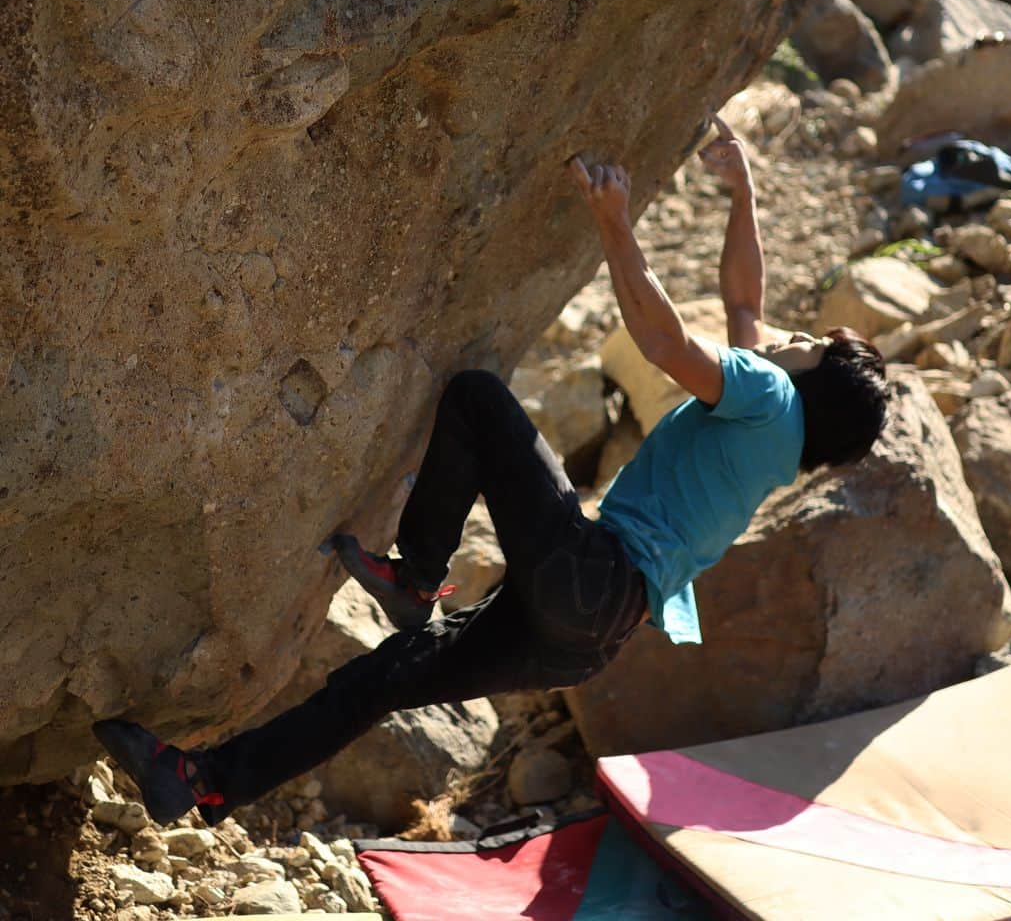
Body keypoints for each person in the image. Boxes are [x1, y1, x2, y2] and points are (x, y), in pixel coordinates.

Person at [93, 116, 889, 826]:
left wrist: (614, 223)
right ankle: (202, 783)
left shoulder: (768, 390)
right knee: (386, 677)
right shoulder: (780, 438)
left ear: (810, 376)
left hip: (591, 575)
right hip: (587, 638)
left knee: (477, 399)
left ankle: (417, 577)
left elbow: (665, 344)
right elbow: (745, 304)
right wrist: (741, 193)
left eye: (808, 341)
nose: (789, 334)